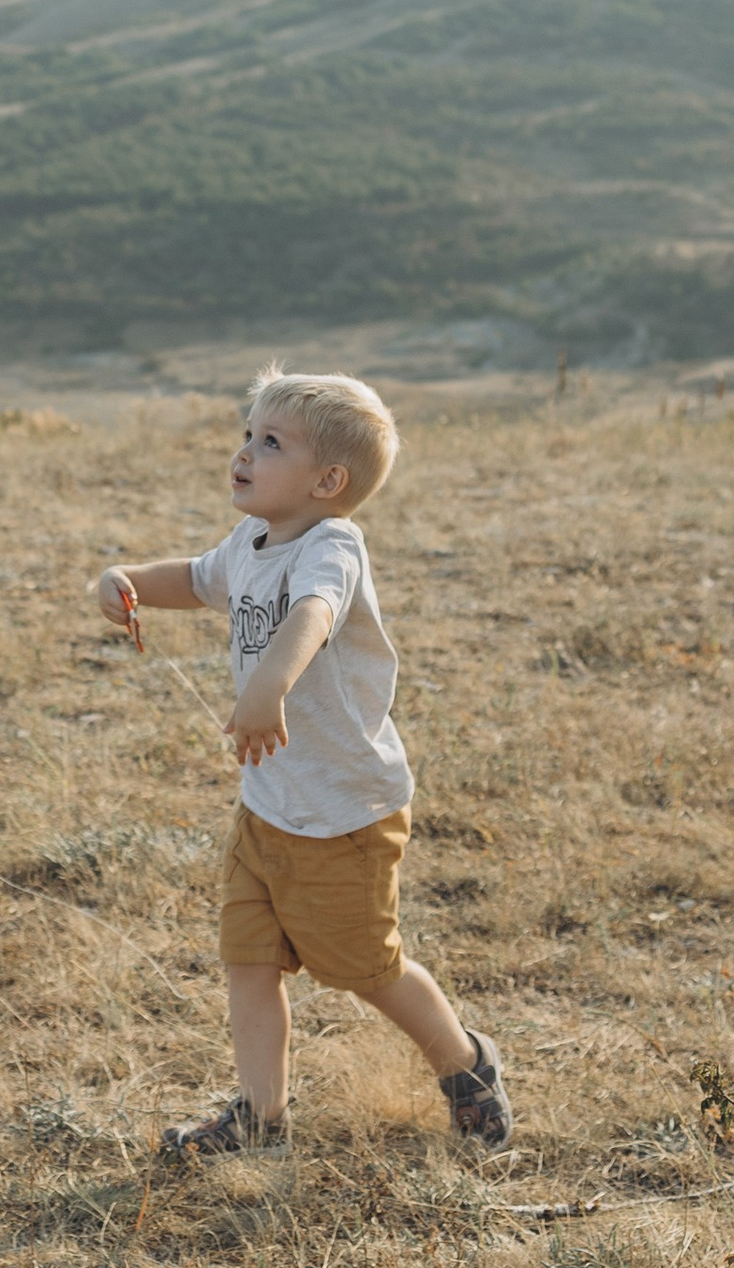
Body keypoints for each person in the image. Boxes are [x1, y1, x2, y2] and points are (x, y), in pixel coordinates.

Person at [95, 368, 509, 1156]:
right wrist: (127, 582)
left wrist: (267, 691)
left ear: (328, 481)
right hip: (269, 807)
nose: (244, 452)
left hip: (343, 813)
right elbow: (196, 579)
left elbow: (314, 617)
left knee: (367, 971)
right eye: (248, 434)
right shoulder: (251, 542)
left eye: (271, 443)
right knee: (248, 963)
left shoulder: (331, 548)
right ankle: (261, 1120)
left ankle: (466, 1065)